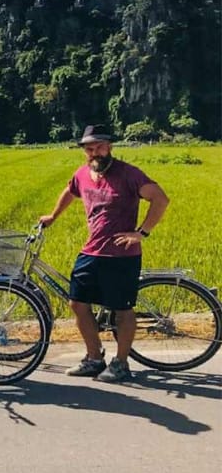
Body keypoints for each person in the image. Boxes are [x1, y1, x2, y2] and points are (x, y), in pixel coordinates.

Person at [39, 125, 169, 382]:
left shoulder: (129, 174)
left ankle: (121, 364)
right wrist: (53, 216)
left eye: (99, 146)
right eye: (89, 148)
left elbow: (160, 199)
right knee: (77, 303)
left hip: (122, 255)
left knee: (122, 309)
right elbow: (70, 191)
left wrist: (141, 233)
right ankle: (94, 358)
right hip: (92, 250)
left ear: (109, 146)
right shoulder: (83, 174)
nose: (94, 152)